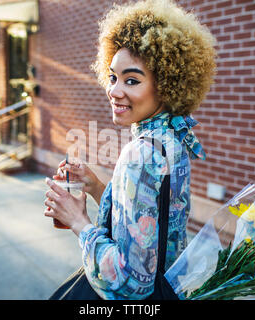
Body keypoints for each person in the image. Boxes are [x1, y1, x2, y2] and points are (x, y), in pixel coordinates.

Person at [44, 0, 216, 300]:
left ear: (167, 85)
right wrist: (97, 187)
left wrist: (78, 222)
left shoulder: (141, 153)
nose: (114, 90)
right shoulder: (172, 139)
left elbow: (129, 284)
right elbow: (148, 221)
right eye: (113, 77)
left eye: (131, 80)